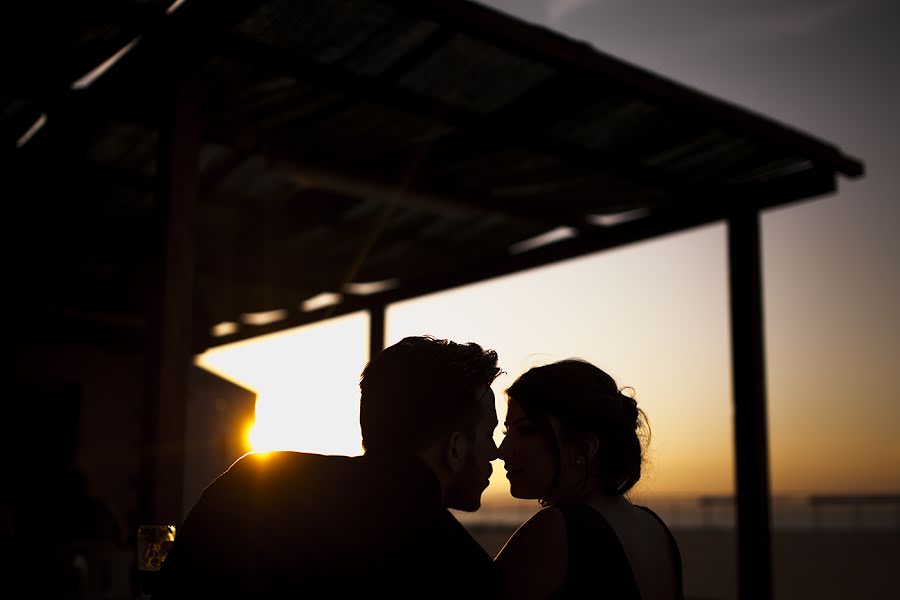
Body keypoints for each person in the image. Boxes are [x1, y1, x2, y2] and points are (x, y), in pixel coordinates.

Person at [155, 335, 503, 599]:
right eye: (488, 435)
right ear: (455, 449)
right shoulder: (459, 570)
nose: (496, 453)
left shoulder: (257, 481)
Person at [495, 359, 683, 600]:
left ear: (584, 447)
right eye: (506, 431)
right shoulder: (655, 529)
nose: (503, 450)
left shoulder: (556, 530)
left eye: (526, 430)